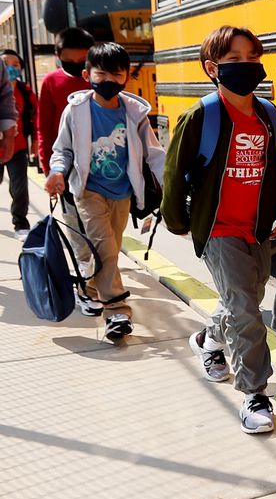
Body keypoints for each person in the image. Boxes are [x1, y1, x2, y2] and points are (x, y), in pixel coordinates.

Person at [161, 25, 276, 434]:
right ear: (212, 68)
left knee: (246, 300)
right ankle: (254, 394)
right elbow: (175, 173)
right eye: (235, 60)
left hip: (256, 228)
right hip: (218, 228)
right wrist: (178, 222)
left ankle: (207, 341)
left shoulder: (268, 114)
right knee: (245, 309)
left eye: (252, 58)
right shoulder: (202, 115)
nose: (247, 66)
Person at [44, 42, 165, 336]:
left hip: (123, 192)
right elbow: (63, 149)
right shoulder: (76, 111)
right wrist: (57, 171)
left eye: (117, 74)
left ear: (126, 77)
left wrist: (170, 186)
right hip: (88, 190)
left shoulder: (134, 112)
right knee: (105, 247)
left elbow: (154, 153)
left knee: (108, 250)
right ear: (87, 74)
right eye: (101, 74)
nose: (108, 81)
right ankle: (117, 311)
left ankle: (87, 288)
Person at [37, 27, 94, 175]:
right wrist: (47, 165)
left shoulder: (101, 79)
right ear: (58, 55)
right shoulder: (50, 82)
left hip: (99, 157)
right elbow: (44, 126)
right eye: (68, 61)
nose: (75, 64)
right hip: (64, 160)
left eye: (82, 60)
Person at [0, 49, 35, 231]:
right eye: (6, 64)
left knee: (19, 187)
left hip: (18, 147)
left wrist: (35, 141)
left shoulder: (25, 90)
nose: (10, 68)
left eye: (16, 65)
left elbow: (35, 116)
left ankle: (20, 222)